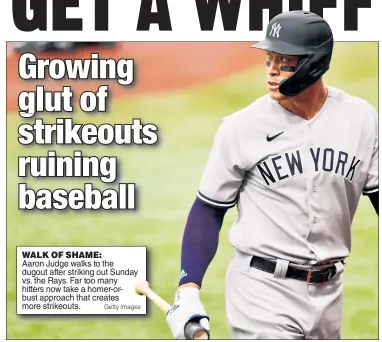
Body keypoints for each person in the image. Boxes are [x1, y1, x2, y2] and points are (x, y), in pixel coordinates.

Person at [166, 10, 379, 339]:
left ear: (315, 62)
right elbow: (209, 208)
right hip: (262, 292)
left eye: (285, 60)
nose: (272, 70)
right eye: (269, 58)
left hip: (329, 294)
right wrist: (188, 288)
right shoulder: (241, 127)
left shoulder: (362, 120)